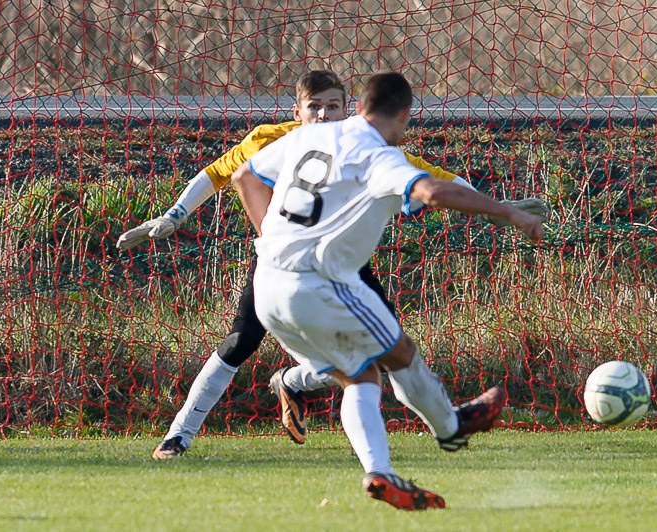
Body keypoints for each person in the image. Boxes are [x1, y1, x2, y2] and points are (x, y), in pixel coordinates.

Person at [116, 70, 546, 459]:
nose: (323, 115)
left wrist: (494, 206)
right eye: (314, 107)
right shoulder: (279, 138)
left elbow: (432, 177)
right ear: (297, 111)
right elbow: (224, 173)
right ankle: (179, 434)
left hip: (340, 266)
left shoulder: (362, 145)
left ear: (349, 108)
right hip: (283, 262)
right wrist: (177, 215)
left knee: (376, 356)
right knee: (244, 343)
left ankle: (301, 388)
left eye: (332, 106)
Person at [233, 71, 543, 510]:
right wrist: (509, 212)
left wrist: (276, 239)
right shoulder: (379, 156)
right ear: (404, 115)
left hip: (267, 283)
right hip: (320, 283)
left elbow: (244, 175)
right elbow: (431, 191)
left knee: (359, 374)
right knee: (399, 354)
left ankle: (387, 466)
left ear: (359, 106)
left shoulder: (308, 136)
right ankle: (447, 430)